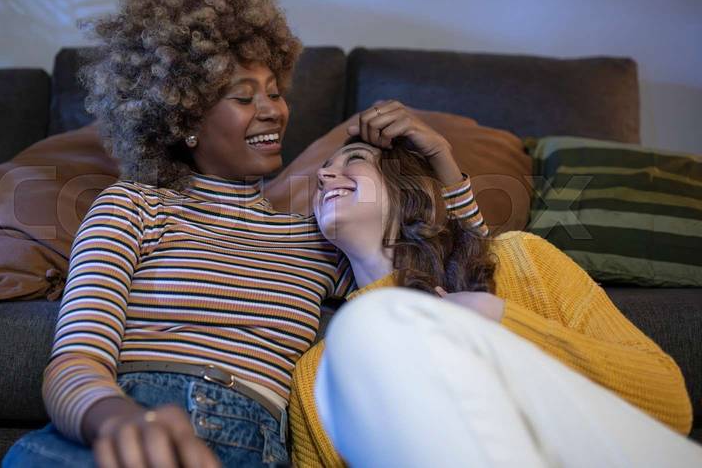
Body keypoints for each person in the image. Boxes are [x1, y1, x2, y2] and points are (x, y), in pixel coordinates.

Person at [2, 0, 484, 468]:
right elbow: (75, 360)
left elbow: (468, 284)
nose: (273, 111)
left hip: (254, 445)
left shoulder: (318, 238)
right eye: (244, 97)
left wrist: (442, 159)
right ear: (185, 120)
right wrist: (119, 421)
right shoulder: (131, 206)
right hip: (126, 428)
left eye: (275, 93)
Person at [288, 107, 702, 467]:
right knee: (366, 325)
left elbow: (670, 405)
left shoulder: (521, 260)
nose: (323, 175)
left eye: (355, 159)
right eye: (323, 172)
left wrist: (493, 317)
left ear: (408, 186)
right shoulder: (316, 375)